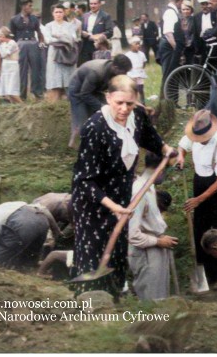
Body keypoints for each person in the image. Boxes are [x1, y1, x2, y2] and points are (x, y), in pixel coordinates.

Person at [71, 75, 174, 295]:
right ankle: (90, 303)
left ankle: (114, 297)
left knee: (117, 250)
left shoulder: (136, 114)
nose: (125, 109)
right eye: (119, 103)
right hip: (95, 203)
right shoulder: (95, 128)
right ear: (108, 98)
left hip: (122, 195)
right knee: (95, 253)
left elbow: (148, 135)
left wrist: (165, 149)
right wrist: (113, 207)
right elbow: (84, 180)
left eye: (130, 103)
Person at [177, 109, 217, 286]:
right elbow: (183, 145)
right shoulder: (195, 133)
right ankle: (205, 271)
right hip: (200, 181)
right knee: (200, 228)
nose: (198, 142)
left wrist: (199, 200)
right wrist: (181, 156)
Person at [128, 153, 177, 301]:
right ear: (160, 169)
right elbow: (132, 234)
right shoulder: (139, 192)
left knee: (161, 297)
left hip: (155, 247)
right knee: (152, 299)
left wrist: (160, 236)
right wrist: (158, 241)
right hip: (146, 252)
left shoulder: (149, 187)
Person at [67, 54, 132, 148]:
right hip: (77, 90)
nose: (125, 74)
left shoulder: (114, 71)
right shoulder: (96, 72)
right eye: (124, 71)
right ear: (115, 67)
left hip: (93, 89)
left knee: (109, 111)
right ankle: (77, 145)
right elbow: (84, 94)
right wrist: (102, 107)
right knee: (83, 120)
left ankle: (100, 142)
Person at [0, 198, 68, 270]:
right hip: (42, 219)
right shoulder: (8, 206)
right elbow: (45, 210)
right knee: (31, 258)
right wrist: (56, 231)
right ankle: (32, 270)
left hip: (23, 223)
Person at [9, 0, 45, 100]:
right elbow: (12, 35)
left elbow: (39, 32)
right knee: (22, 70)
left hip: (33, 42)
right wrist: (14, 48)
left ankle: (37, 92)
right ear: (23, 6)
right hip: (20, 44)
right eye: (29, 6)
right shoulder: (14, 19)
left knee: (36, 69)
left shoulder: (34, 18)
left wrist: (41, 44)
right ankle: (22, 94)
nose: (31, 8)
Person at [44, 4, 77, 102]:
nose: (58, 14)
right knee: (55, 80)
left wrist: (57, 36)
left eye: (60, 12)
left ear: (64, 13)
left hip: (67, 54)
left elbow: (72, 38)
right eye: (56, 12)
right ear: (52, 14)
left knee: (68, 80)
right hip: (54, 55)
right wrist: (64, 37)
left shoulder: (70, 25)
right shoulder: (48, 26)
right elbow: (48, 40)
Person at [158, 0, 185, 90]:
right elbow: (168, 33)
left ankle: (171, 100)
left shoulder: (171, 11)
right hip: (169, 47)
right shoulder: (170, 12)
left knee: (171, 74)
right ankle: (167, 102)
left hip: (169, 46)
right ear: (180, 1)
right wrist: (176, 48)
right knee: (169, 74)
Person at [80, 0, 114, 65]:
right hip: (85, 47)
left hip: (99, 47)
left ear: (99, 4)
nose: (93, 6)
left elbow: (110, 32)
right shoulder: (84, 16)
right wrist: (82, 33)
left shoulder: (105, 16)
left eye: (95, 4)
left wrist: (95, 37)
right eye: (91, 4)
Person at [0, 27, 23, 104]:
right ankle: (13, 106)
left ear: (3, 36)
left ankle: (22, 105)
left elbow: (4, 54)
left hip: (12, 66)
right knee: (7, 91)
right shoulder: (3, 44)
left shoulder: (12, 43)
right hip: (5, 66)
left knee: (12, 91)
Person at [125, 37, 147, 102]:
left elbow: (144, 62)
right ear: (131, 45)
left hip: (139, 74)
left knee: (140, 89)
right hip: (131, 75)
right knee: (132, 89)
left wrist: (140, 69)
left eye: (139, 44)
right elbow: (126, 65)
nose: (139, 45)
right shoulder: (128, 55)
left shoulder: (142, 54)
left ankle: (143, 103)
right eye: (136, 44)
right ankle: (132, 101)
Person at [195, 0, 215, 64]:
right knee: (203, 64)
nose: (205, 7)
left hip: (214, 43)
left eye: (206, 4)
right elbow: (195, 33)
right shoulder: (197, 17)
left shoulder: (214, 15)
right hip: (203, 44)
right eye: (203, 4)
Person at [180, 0, 198, 65]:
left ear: (191, 10)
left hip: (191, 47)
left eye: (187, 9)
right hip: (181, 47)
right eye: (183, 9)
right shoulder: (179, 20)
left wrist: (189, 43)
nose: (185, 11)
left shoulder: (194, 20)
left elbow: (195, 33)